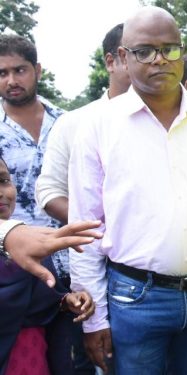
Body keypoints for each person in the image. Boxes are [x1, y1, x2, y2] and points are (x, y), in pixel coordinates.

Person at [68, 7, 187, 374]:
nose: (160, 60)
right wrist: (94, 320)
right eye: (145, 51)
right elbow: (85, 227)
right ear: (121, 57)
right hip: (134, 299)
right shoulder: (97, 125)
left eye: (170, 49)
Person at [0, 157, 95, 375]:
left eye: (4, 180)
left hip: (33, 356)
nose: (0, 192)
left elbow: (43, 300)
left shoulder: (34, 243)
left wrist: (66, 301)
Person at [36, 23, 130, 226]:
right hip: (95, 250)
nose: (152, 62)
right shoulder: (74, 123)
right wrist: (101, 227)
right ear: (111, 62)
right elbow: (50, 191)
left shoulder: (179, 120)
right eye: (138, 54)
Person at [0, 34, 68, 280]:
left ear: (37, 70)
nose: (11, 81)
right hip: (15, 263)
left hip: (75, 255)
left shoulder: (67, 122)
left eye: (20, 70)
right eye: (2, 73)